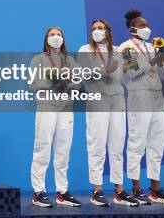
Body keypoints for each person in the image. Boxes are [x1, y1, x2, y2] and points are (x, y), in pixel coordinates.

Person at [118, 9, 164, 205]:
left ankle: (155, 188)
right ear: (132, 28)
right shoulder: (126, 48)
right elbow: (130, 76)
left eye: (147, 25)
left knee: (157, 144)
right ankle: (136, 187)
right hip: (139, 97)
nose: (147, 28)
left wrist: (161, 61)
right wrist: (153, 61)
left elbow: (163, 76)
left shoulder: (153, 46)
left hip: (157, 98)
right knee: (137, 143)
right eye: (143, 26)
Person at [77, 20, 138, 207]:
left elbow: (122, 77)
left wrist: (130, 66)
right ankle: (96, 191)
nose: (97, 31)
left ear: (108, 31)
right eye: (94, 28)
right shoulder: (85, 50)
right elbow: (84, 75)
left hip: (117, 98)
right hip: (98, 98)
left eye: (100, 28)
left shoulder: (118, 50)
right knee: (96, 144)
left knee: (117, 145)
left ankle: (119, 190)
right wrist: (105, 70)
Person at [30, 28, 82, 208]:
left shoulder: (70, 60)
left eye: (59, 34)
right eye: (52, 35)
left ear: (63, 39)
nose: (56, 37)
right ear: (46, 39)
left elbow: (78, 82)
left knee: (63, 151)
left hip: (66, 107)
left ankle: (62, 192)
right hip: (46, 106)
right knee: (42, 148)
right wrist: (53, 80)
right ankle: (38, 192)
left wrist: (66, 83)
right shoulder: (38, 59)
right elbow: (35, 84)